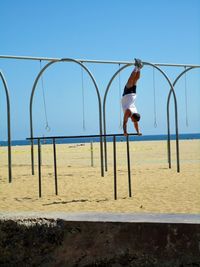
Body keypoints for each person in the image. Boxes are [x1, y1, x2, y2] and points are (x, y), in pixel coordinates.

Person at [121, 58, 143, 136]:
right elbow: (124, 122)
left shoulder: (135, 114)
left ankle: (139, 68)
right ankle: (136, 67)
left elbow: (136, 124)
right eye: (133, 120)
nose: (133, 121)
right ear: (133, 117)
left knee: (135, 80)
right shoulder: (128, 112)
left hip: (133, 95)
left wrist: (138, 132)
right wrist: (124, 132)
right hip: (127, 94)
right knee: (131, 79)